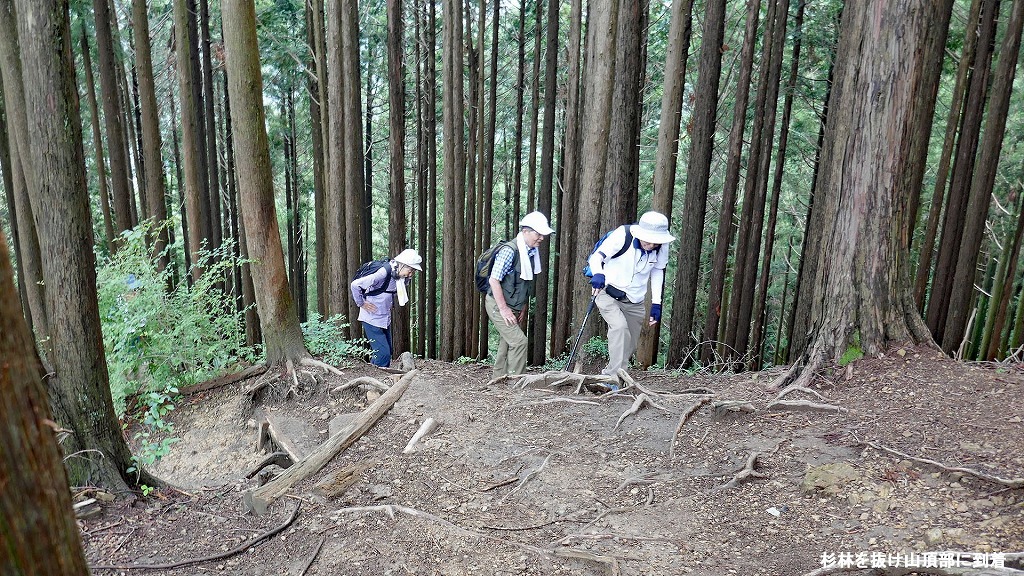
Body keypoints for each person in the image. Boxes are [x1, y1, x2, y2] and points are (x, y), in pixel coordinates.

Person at [587, 211, 675, 380]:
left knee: (630, 344)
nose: (651, 244)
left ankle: (617, 374)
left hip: (635, 299)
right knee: (619, 328)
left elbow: (658, 271)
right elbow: (597, 257)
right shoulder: (623, 235)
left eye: (655, 241)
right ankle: (613, 378)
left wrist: (656, 304)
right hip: (608, 292)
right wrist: (598, 273)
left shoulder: (662, 246)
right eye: (648, 240)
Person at [485, 211, 554, 379]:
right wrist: (503, 309)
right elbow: (494, 280)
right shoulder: (510, 251)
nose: (542, 238)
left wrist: (522, 306)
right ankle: (516, 383)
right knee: (519, 342)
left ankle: (499, 380)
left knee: (507, 343)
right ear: (525, 231)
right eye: (538, 234)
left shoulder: (531, 252)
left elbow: (524, 282)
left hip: (514, 305)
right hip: (497, 305)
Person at [350, 248, 423, 367]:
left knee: (385, 351)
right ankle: (379, 376)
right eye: (410, 270)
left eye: (413, 271)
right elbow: (355, 285)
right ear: (402, 265)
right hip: (371, 318)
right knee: (383, 354)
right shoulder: (383, 273)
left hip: (384, 318)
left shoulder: (399, 276)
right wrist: (361, 303)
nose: (411, 274)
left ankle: (375, 372)